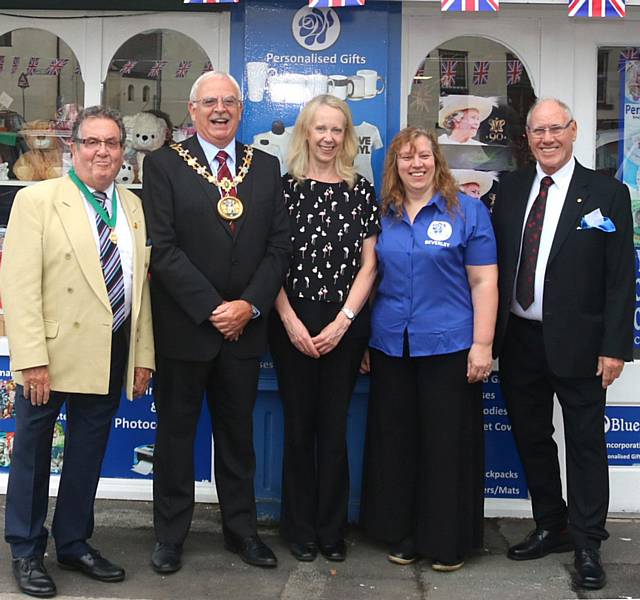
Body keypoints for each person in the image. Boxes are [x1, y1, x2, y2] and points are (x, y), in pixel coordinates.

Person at [1, 105, 154, 598]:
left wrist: (142, 354)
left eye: (112, 143)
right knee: (32, 456)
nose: (102, 152)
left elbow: (139, 290)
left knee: (87, 455)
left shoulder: (131, 206)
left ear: (123, 151)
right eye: (91, 142)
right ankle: (26, 552)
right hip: (51, 353)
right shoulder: (38, 200)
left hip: (109, 350)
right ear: (73, 147)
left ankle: (73, 543)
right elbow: (19, 286)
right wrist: (30, 360)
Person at [142, 71, 291, 573]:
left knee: (237, 439)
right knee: (175, 438)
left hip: (244, 331)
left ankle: (241, 532)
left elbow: (278, 248)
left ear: (241, 110)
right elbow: (161, 249)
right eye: (210, 102)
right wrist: (213, 308)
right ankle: (169, 537)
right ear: (192, 109)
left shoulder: (266, 167)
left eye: (230, 101)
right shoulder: (162, 165)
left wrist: (247, 306)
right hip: (186, 329)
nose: (220, 110)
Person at [492, 98, 635, 591]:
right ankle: (551, 524)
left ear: (573, 131)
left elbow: (620, 279)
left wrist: (615, 346)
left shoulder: (607, 193)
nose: (547, 138)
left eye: (556, 129)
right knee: (532, 437)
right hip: (519, 340)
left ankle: (588, 542)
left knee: (586, 444)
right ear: (527, 138)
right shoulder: (508, 189)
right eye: (538, 131)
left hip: (581, 343)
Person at [361, 128, 498, 571]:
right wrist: (364, 341)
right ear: (395, 166)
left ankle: (446, 543)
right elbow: (369, 279)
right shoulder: (382, 214)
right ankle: (403, 535)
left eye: (423, 155)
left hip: (450, 346)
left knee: (445, 446)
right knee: (397, 444)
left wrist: (483, 344)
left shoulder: (468, 212)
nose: (415, 163)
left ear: (436, 160)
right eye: (406, 157)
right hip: (390, 346)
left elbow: (484, 281)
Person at [269, 95, 379, 563]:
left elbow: (370, 264)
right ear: (306, 134)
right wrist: (291, 321)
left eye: (337, 129)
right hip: (291, 321)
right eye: (320, 129)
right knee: (299, 428)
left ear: (347, 136)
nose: (328, 138)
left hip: (345, 324)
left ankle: (332, 530)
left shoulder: (361, 191)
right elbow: (269, 261)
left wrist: (344, 322)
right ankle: (299, 528)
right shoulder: (283, 189)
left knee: (333, 430)